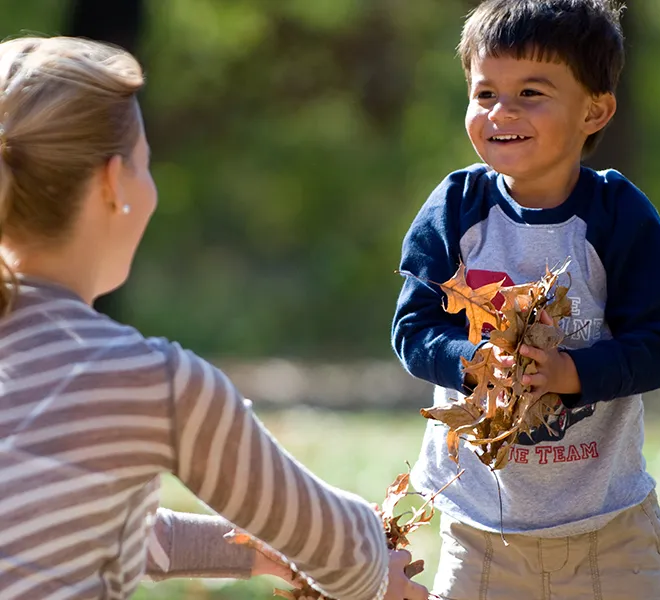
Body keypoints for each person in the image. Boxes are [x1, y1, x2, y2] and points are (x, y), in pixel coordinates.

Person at [0, 36, 427, 600]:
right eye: (145, 166)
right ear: (112, 183)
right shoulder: (155, 384)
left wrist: (255, 551)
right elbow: (339, 549)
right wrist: (377, 574)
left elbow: (68, 527)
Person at [392, 1, 660, 598]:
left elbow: (656, 346)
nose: (501, 111)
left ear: (595, 110)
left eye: (530, 92)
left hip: (609, 528)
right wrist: (470, 361)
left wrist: (572, 371)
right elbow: (413, 328)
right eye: (484, 94)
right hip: (478, 528)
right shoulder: (456, 209)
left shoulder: (618, 217)